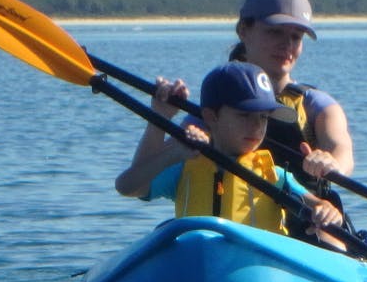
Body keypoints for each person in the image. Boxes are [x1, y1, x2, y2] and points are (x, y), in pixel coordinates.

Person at [115, 61, 345, 247]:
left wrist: (325, 211)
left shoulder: (274, 175)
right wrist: (161, 123)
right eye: (245, 116)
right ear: (211, 116)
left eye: (263, 117)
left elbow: (317, 204)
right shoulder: (185, 168)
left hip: (259, 269)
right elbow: (128, 186)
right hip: (198, 263)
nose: (256, 127)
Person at [229, 0, 354, 189]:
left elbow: (342, 151)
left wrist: (332, 164)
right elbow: (154, 175)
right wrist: (165, 112)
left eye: (296, 37)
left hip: (303, 218)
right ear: (244, 30)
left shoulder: (318, 106)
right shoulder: (218, 100)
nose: (287, 45)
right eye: (275, 32)